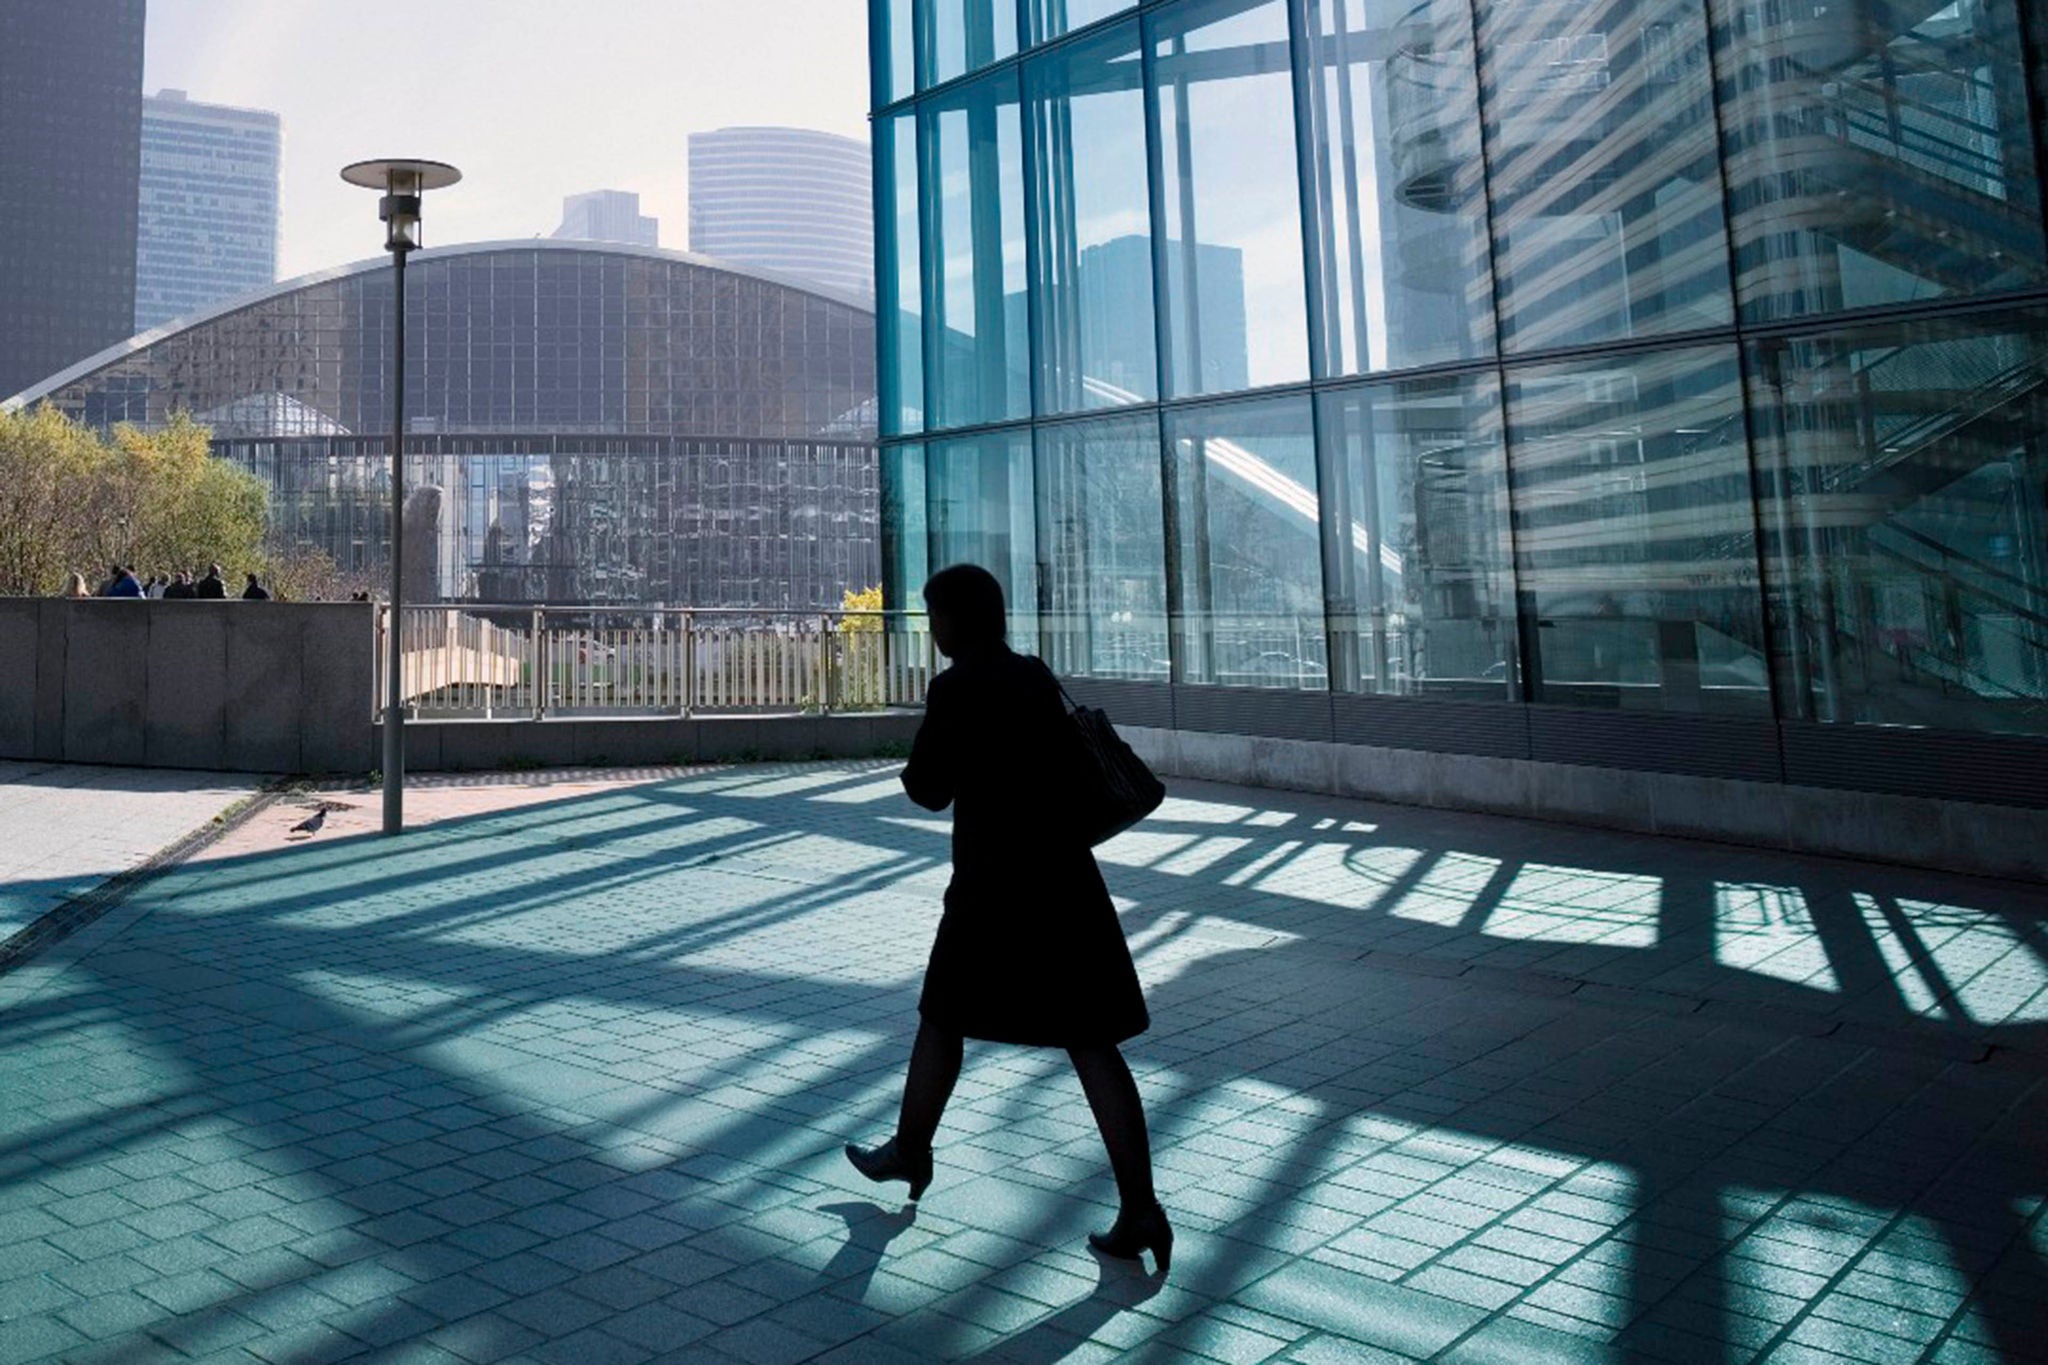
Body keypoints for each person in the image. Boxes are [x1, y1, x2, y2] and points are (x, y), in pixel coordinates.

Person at [845, 564, 1170, 1273]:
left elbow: (927, 788)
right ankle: (1140, 1204)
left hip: (993, 891)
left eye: (936, 617)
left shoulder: (958, 686)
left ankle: (910, 1149)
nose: (933, 632)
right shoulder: (1031, 674)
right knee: (1090, 1039)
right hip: (1063, 884)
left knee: (943, 1015)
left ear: (959, 620)